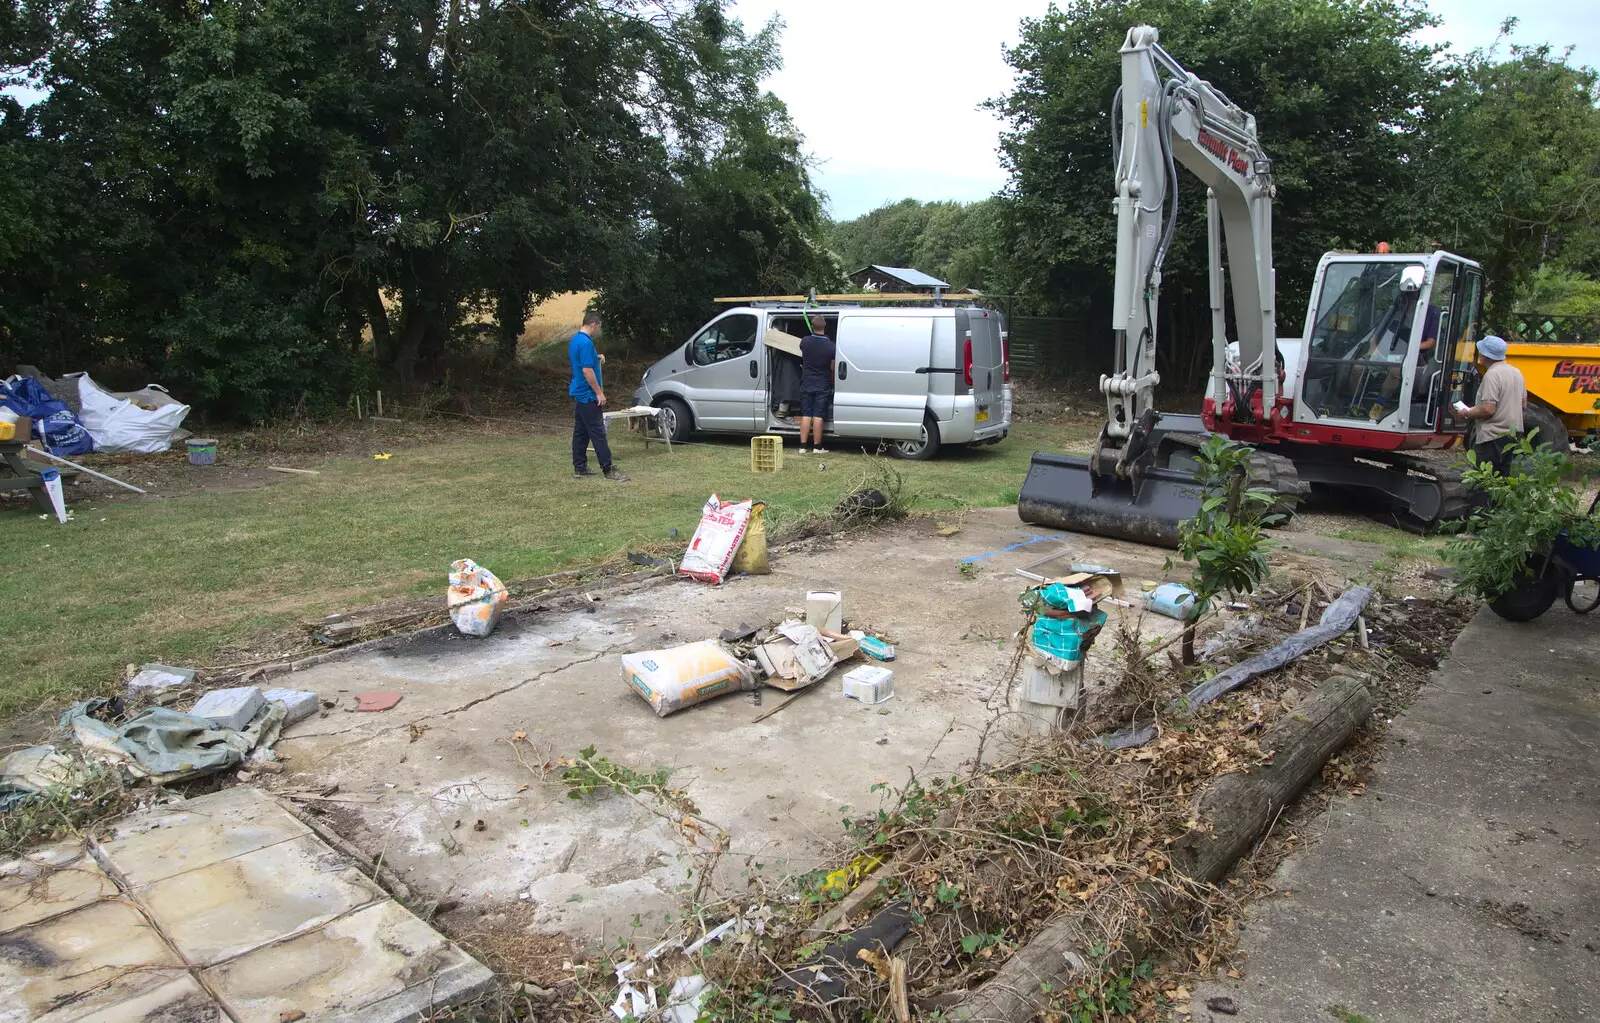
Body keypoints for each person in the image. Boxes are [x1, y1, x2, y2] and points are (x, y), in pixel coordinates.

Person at [569, 310, 628, 482]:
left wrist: (597, 357)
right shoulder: (586, 343)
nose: (598, 330)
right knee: (598, 432)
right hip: (588, 395)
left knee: (581, 432)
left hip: (579, 393)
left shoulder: (576, 340)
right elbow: (587, 370)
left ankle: (579, 467)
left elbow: (583, 359)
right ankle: (608, 469)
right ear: (594, 324)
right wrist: (599, 392)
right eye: (598, 327)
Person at [1455, 334, 1526, 476]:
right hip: (1512, 435)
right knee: (1503, 480)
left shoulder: (1492, 375)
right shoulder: (1516, 372)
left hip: (1492, 437)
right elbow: (1523, 404)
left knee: (1484, 480)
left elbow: (1488, 409)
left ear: (1486, 355)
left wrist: (1466, 413)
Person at [798, 318, 835, 454]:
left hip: (806, 382)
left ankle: (802, 447)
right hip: (822, 383)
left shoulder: (805, 341)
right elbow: (831, 367)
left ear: (812, 326)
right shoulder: (831, 346)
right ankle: (817, 447)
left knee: (806, 414)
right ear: (825, 326)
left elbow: (803, 352)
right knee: (818, 415)